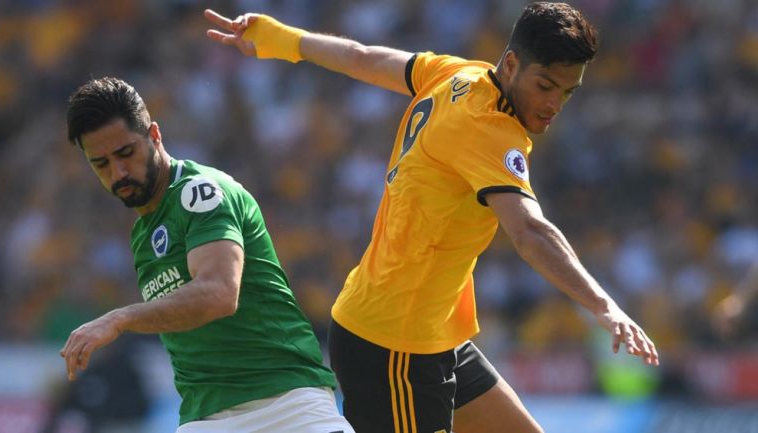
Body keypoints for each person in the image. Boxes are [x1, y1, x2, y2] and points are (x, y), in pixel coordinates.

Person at [205, 3, 660, 432]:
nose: (554, 104)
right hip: (394, 347)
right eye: (545, 86)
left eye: (567, 92)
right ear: (510, 65)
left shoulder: (460, 73)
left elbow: (364, 57)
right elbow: (528, 231)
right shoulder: (489, 130)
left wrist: (282, 39)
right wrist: (604, 306)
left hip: (431, 334)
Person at [61, 77, 355, 433]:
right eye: (101, 163)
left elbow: (218, 294)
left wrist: (119, 319)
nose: (118, 173)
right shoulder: (143, 233)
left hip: (285, 404)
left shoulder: (200, 193)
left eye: (126, 153)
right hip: (204, 417)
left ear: (155, 135)